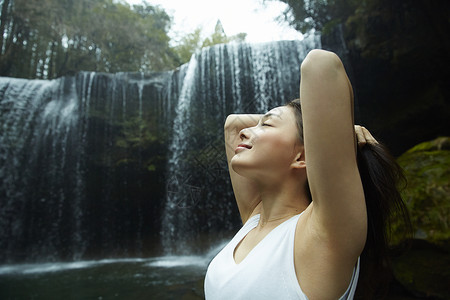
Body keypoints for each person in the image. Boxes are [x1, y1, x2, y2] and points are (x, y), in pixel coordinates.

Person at [204, 49, 411, 299]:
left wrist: (329, 130)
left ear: (302, 157)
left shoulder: (322, 233)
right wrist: (331, 129)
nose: (245, 132)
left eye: (266, 125)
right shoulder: (255, 218)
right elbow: (232, 123)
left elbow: (321, 65)